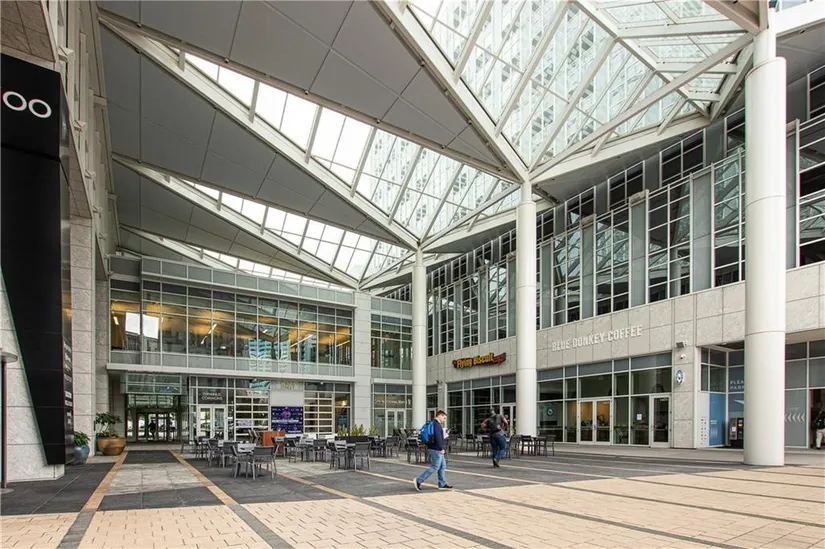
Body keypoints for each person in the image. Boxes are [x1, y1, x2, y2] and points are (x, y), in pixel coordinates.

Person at [414, 410, 453, 491]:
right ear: (440, 415)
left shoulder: (432, 423)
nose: (444, 420)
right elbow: (438, 438)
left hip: (433, 447)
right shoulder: (436, 425)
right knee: (435, 467)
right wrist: (441, 448)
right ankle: (419, 480)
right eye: (444, 418)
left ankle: (442, 484)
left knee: (442, 466)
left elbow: (436, 436)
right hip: (436, 449)